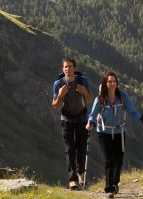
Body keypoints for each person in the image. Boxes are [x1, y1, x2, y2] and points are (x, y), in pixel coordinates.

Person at [86, 72, 143, 198]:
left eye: (114, 81)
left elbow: (132, 111)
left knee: (119, 160)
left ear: (117, 83)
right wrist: (90, 123)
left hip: (119, 132)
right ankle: (108, 188)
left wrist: (141, 120)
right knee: (110, 160)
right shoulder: (100, 98)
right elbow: (93, 114)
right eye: (109, 81)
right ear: (105, 83)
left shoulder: (123, 97)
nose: (112, 83)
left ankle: (115, 183)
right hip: (104, 132)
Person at [51, 57, 93, 190]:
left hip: (82, 118)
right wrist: (59, 95)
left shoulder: (83, 81)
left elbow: (89, 99)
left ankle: (81, 173)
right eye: (65, 67)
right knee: (70, 149)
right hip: (67, 119)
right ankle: (72, 180)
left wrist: (84, 92)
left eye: (70, 66)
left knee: (81, 148)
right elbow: (56, 105)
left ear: (74, 68)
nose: (67, 69)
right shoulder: (58, 84)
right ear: (62, 69)